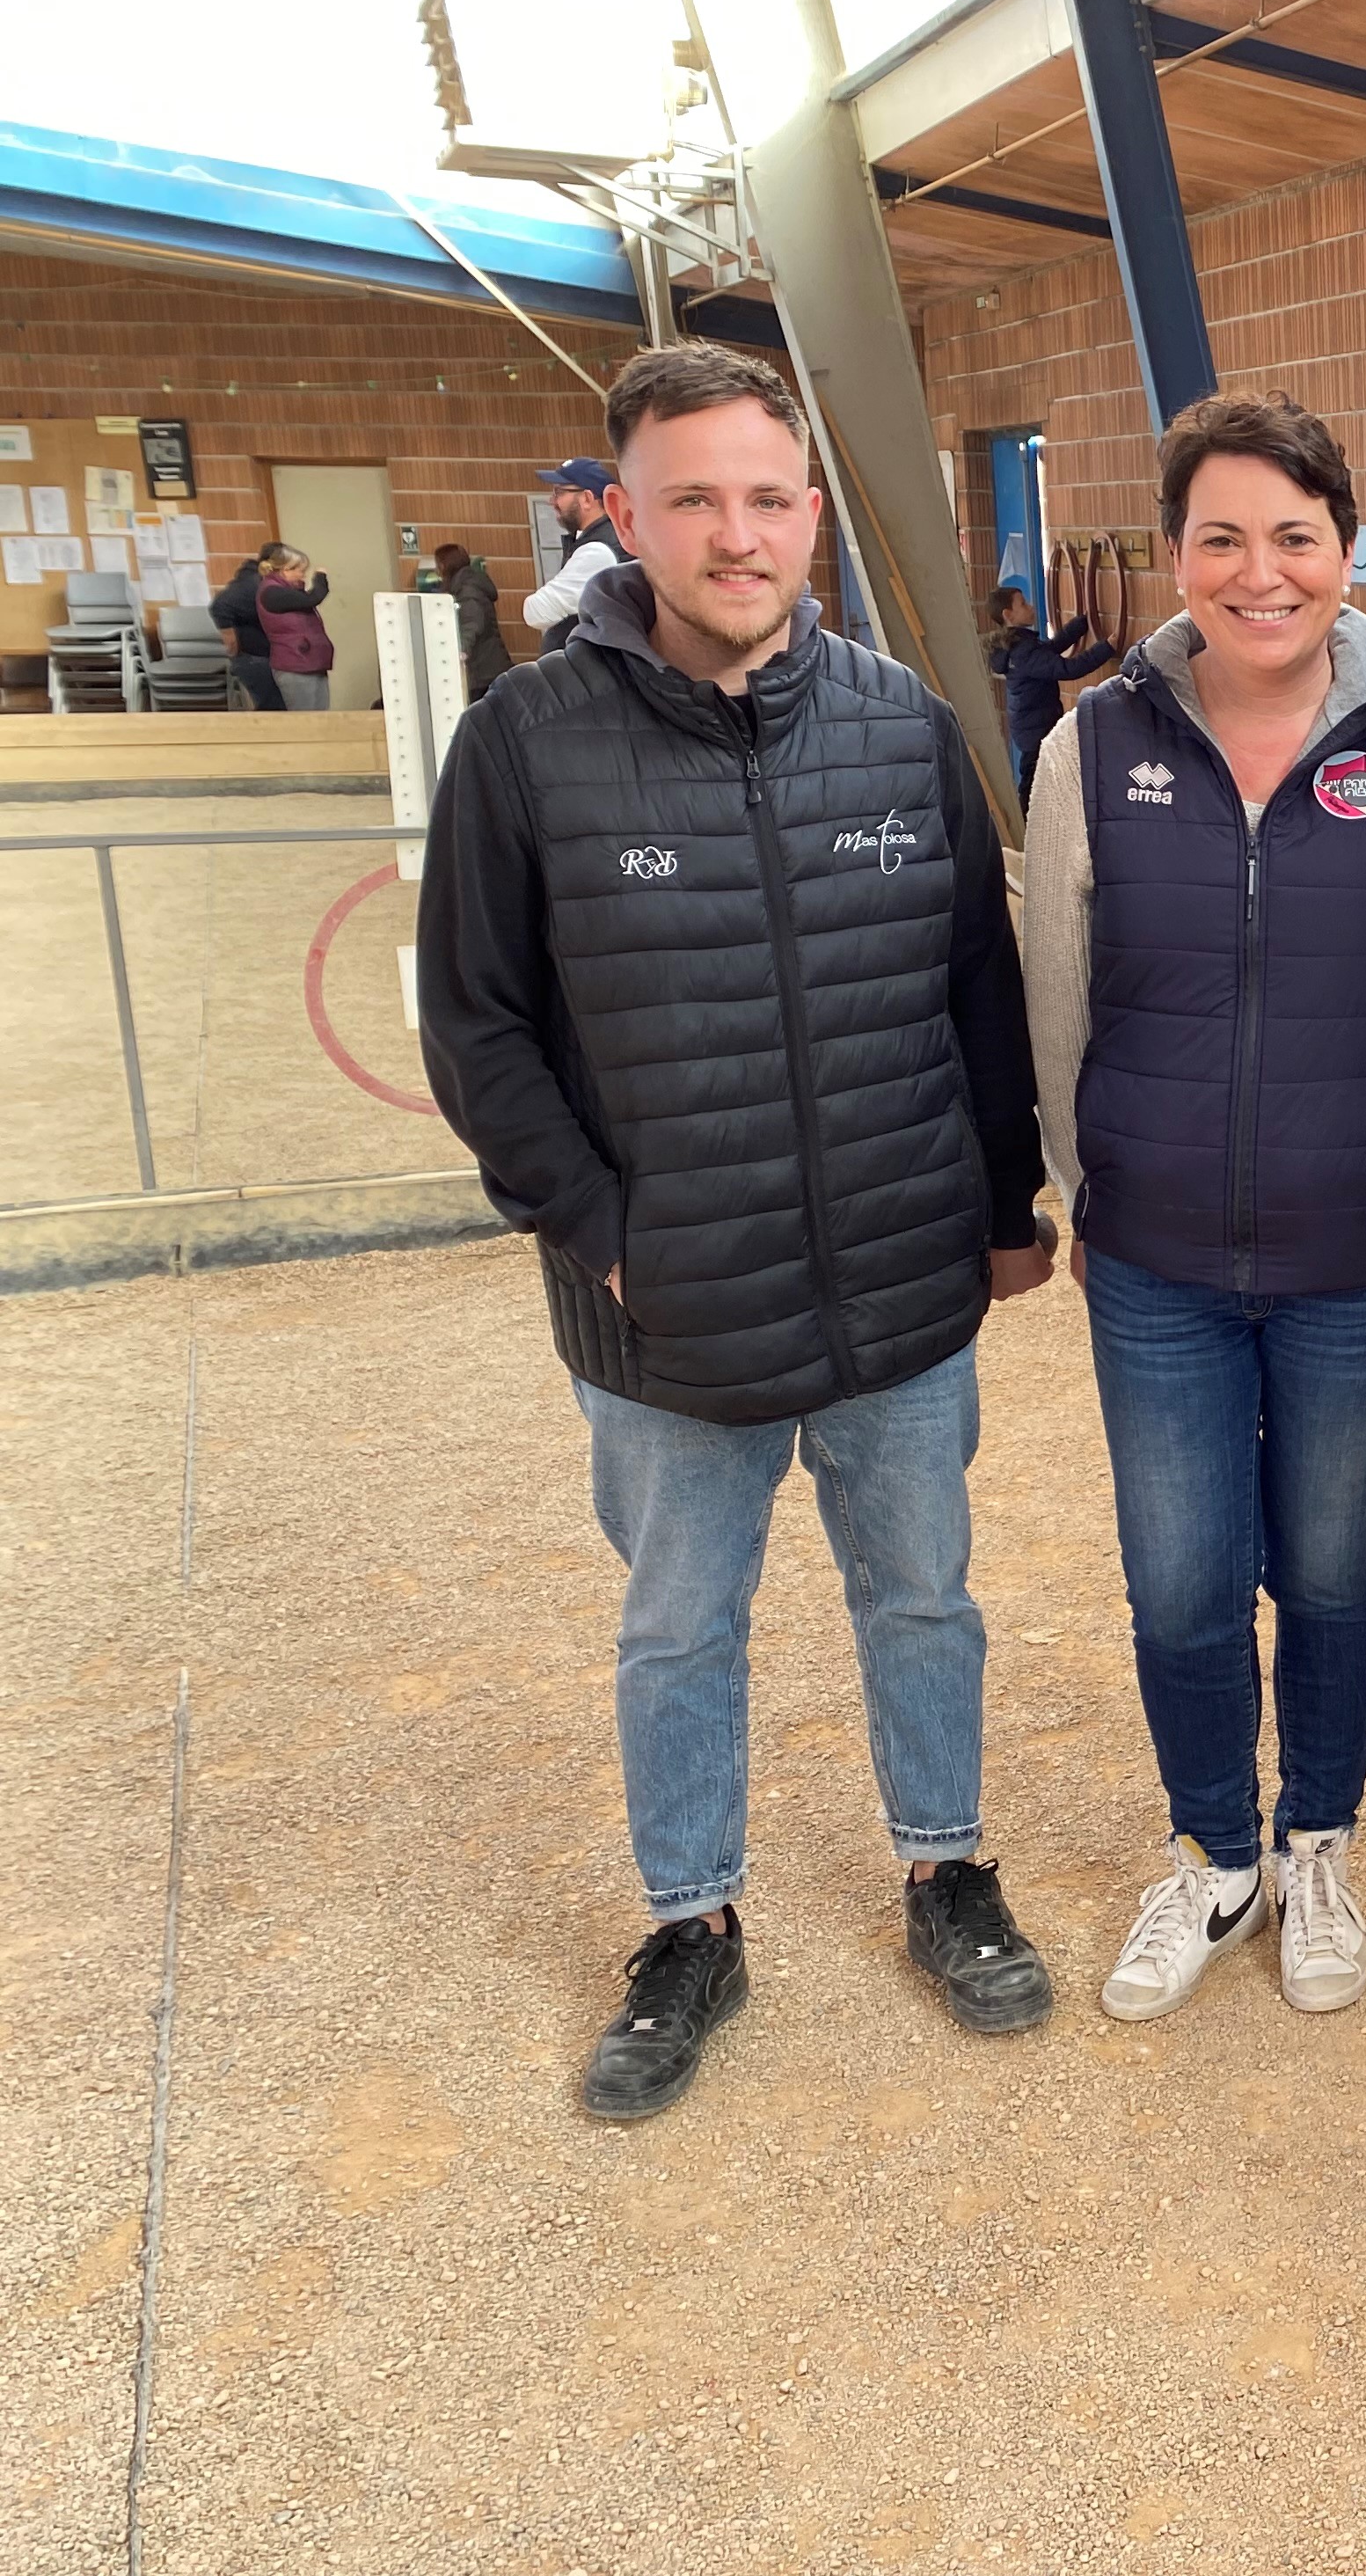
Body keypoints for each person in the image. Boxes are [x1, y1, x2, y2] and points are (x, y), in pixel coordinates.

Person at [415, 341, 1060, 2124]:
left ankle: (948, 1869)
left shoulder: (900, 728)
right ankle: (690, 1923)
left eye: (768, 497)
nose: (735, 531)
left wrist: (1003, 1207)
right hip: (667, 1321)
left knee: (922, 1600)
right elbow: (476, 1026)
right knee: (681, 1628)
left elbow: (973, 991)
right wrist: (604, 1232)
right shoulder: (526, 745)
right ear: (624, 514)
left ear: (811, 522)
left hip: (898, 1300)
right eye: (691, 497)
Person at [1020, 391, 1366, 2024]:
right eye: (1220, 536)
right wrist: (1090, 1192)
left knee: (1333, 1565)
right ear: (1175, 555)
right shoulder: (1091, 744)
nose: (1259, 569)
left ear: (1345, 551)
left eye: (1293, 536)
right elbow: (1057, 999)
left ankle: (1317, 1840)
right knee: (1177, 1578)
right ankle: (1214, 1849)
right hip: (1154, 1261)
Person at [988, 582, 1114, 793]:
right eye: (1023, 604)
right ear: (1008, 615)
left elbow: (1052, 649)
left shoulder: (1018, 646)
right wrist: (1107, 647)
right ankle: (1026, 823)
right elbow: (1068, 669)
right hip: (1035, 734)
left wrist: (1081, 624)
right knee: (1034, 790)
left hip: (1032, 729)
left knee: (1044, 784)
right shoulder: (1023, 653)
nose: (1031, 607)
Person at [524, 456, 625, 655]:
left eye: (559, 492)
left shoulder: (598, 550)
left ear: (587, 499)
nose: (552, 501)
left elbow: (536, 611)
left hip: (593, 673)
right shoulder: (603, 538)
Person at [255, 549, 337, 709]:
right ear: (286, 569)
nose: (304, 576)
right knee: (306, 719)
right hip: (295, 666)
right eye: (301, 571)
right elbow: (313, 598)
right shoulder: (272, 593)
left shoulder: (285, 591)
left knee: (321, 717)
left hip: (310, 662)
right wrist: (320, 577)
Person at [434, 542, 513, 698]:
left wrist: (461, 650)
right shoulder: (469, 583)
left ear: (444, 566)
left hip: (482, 671)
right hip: (489, 666)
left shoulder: (467, 588)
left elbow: (472, 621)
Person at [212, 547, 286, 709]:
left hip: (265, 655)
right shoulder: (253, 583)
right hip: (255, 657)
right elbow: (220, 606)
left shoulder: (263, 582)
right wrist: (231, 644)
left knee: (279, 707)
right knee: (275, 708)